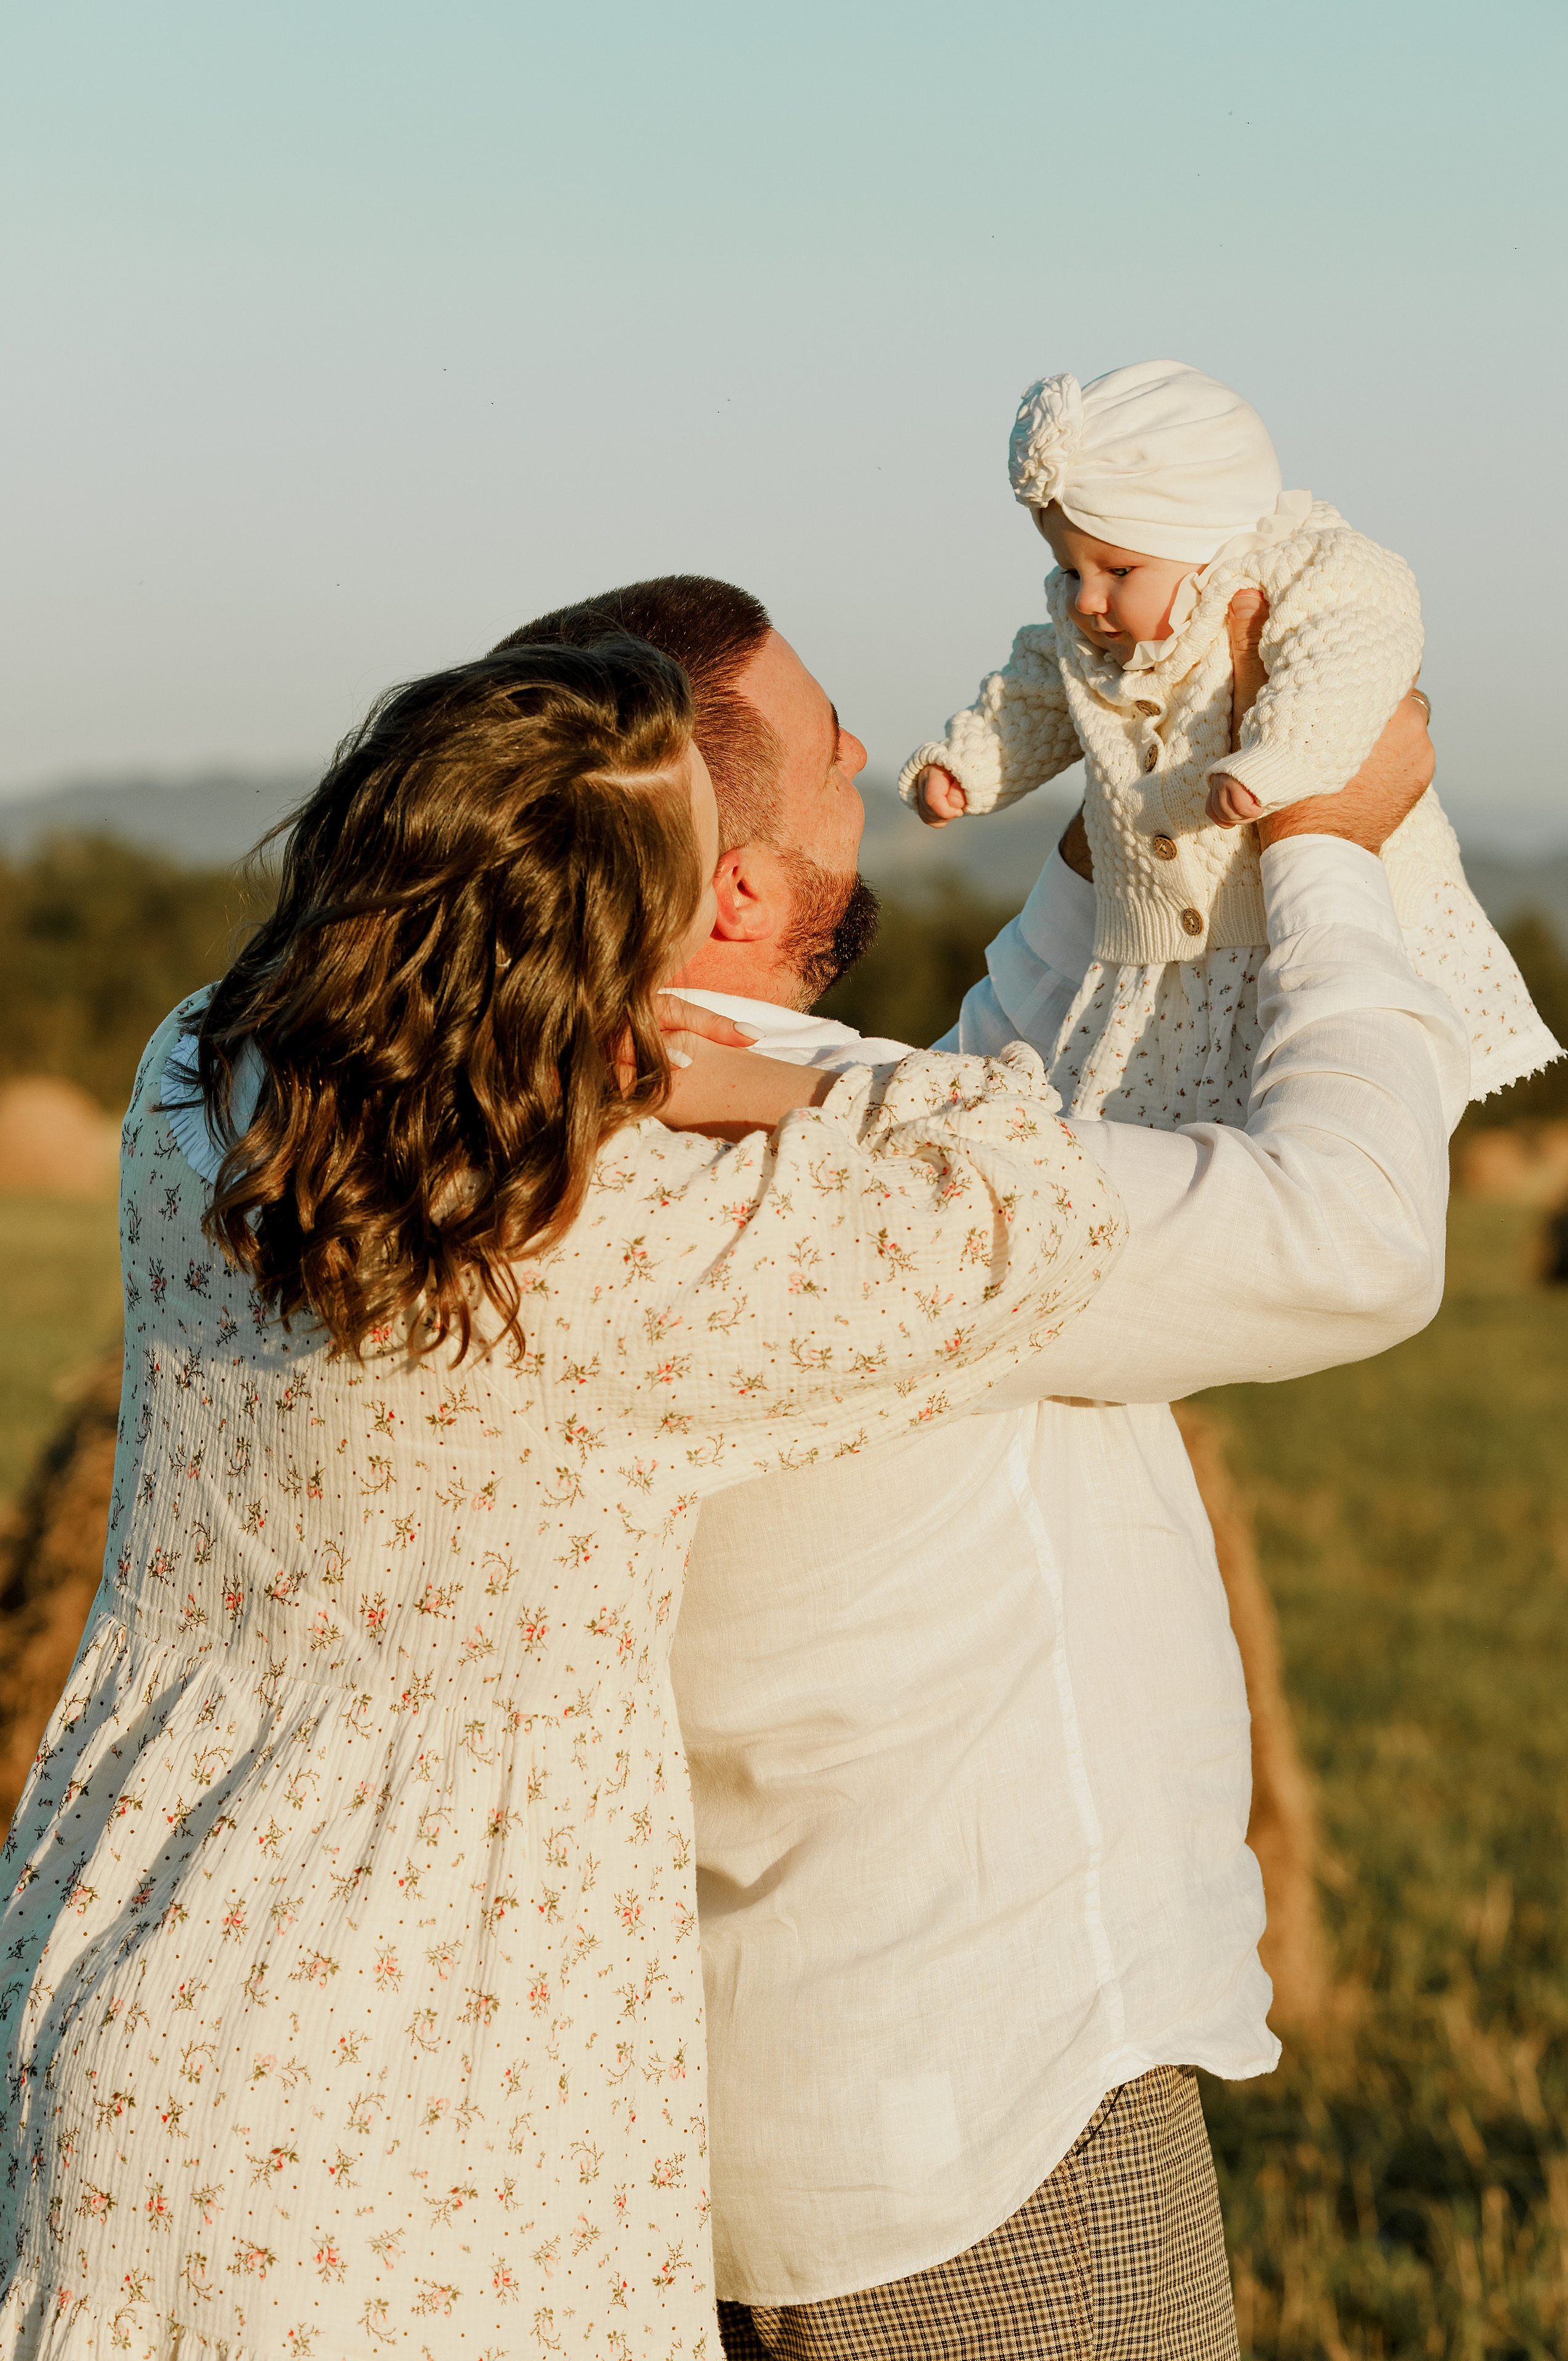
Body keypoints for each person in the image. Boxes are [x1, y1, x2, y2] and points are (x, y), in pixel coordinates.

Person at [0, 638, 1128, 2359]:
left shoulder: (191, 1090)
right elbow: (1024, 1205)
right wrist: (778, 1076)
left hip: (115, 1987)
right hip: (432, 2114)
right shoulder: (601, 1249)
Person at [502, 575, 1464, 2359]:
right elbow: (1359, 1235)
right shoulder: (855, 1201)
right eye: (816, 744)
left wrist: (1117, 831)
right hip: (998, 2139)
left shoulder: (596, 1135)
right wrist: (1331, 848)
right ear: (729, 883)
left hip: (741, 2128)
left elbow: (956, 1120)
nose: (866, 748)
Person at [903, 359, 1559, 1120]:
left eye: (1117, 568)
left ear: (1201, 535)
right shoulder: (1083, 631)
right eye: (1067, 566)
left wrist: (1279, 756)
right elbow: (1031, 694)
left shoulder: (1304, 571)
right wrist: (969, 764)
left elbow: (1348, 654)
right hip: (1162, 960)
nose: (1086, 599)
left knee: (1329, 1108)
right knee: (1175, 1142)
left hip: (1314, 923)